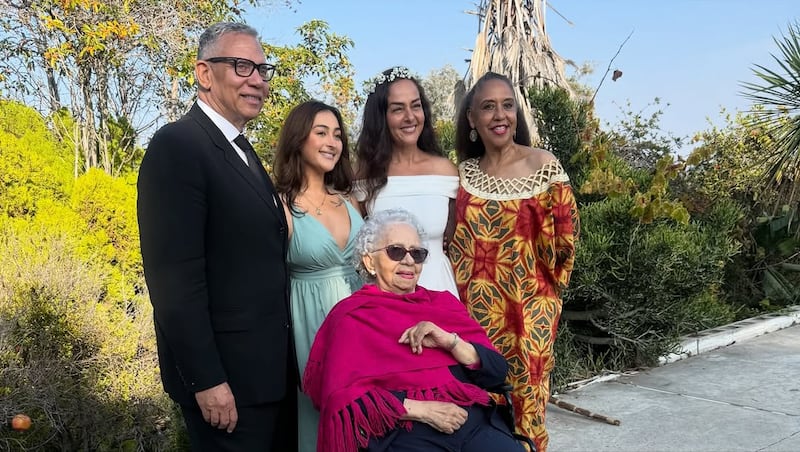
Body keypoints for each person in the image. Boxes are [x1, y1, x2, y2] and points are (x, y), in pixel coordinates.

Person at [137, 22, 296, 451]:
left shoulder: (243, 151)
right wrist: (207, 380)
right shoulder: (179, 146)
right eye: (243, 66)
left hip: (269, 380)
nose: (258, 80)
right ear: (204, 74)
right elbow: (175, 283)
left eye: (264, 70)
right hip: (227, 388)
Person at [303, 208, 525, 452]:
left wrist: (450, 343)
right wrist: (421, 410)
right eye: (395, 251)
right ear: (369, 261)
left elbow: (497, 373)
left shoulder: (445, 305)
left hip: (471, 423)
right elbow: (341, 400)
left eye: (417, 254)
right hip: (403, 430)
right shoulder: (351, 316)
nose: (408, 260)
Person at [449, 71, 580, 452]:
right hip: (472, 316)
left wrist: (543, 303)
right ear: (472, 119)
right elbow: (451, 241)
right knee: (476, 411)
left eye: (507, 105)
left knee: (526, 412)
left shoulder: (545, 167)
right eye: (488, 107)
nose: (500, 115)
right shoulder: (463, 175)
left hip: (528, 317)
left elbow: (565, 243)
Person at [272, 100, 364, 452]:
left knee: (368, 415)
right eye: (321, 132)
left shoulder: (350, 201)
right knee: (323, 420)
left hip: (360, 321)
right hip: (311, 324)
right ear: (299, 140)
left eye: (338, 135)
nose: (332, 142)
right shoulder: (281, 205)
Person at [353, 66, 460, 298]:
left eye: (416, 105)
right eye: (398, 109)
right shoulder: (362, 175)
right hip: (385, 298)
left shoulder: (446, 171)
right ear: (381, 117)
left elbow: (456, 241)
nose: (410, 117)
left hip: (438, 289)